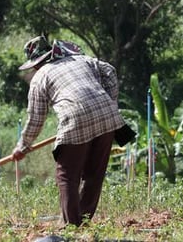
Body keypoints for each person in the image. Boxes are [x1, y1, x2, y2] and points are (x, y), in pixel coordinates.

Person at [11, 35, 129, 227]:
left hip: (76, 118)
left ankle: (72, 227)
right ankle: (83, 221)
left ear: (36, 64)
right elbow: (109, 70)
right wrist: (109, 101)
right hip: (108, 116)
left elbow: (35, 118)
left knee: (67, 175)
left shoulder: (40, 76)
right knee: (94, 174)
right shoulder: (81, 59)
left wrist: (22, 146)